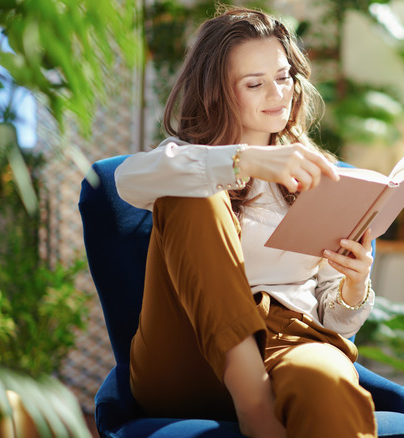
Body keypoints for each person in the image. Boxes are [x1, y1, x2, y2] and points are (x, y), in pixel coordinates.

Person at [114, 6, 378, 438]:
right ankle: (254, 404)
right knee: (192, 193)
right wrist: (246, 159)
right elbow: (126, 180)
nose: (277, 94)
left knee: (328, 383)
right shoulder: (187, 161)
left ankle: (268, 393)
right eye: (255, 84)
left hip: (289, 339)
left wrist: (353, 283)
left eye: (283, 76)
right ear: (218, 92)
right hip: (187, 354)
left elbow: (334, 322)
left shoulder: (320, 175)